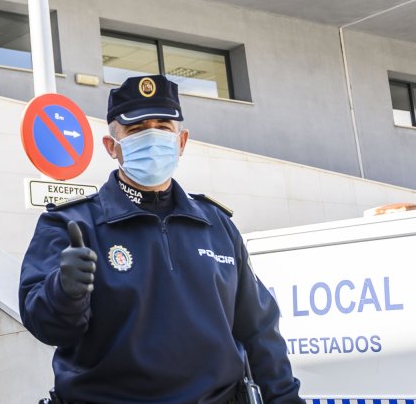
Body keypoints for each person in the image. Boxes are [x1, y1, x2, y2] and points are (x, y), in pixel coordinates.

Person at [18, 75, 303, 404]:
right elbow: (46, 328)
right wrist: (64, 292)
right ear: (112, 147)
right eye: (137, 130)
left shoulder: (216, 225)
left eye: (163, 126)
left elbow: (259, 329)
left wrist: (284, 399)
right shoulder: (72, 225)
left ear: (181, 142)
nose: (152, 136)